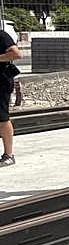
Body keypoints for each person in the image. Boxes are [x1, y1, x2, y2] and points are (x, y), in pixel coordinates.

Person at [0, 28, 20, 167]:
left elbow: (16, 54)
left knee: (2, 117)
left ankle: (9, 154)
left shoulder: (1, 36)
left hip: (1, 81)